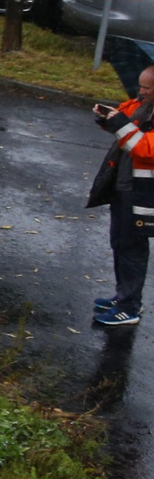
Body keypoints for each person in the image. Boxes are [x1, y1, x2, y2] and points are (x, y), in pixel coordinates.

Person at [90, 65, 154, 329]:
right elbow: (127, 124)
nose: (141, 91)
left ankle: (129, 306)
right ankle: (122, 297)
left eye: (147, 87)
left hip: (142, 192)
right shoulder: (144, 105)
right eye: (141, 85)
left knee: (132, 248)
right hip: (125, 184)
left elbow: (145, 149)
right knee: (120, 242)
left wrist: (118, 122)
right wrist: (110, 117)